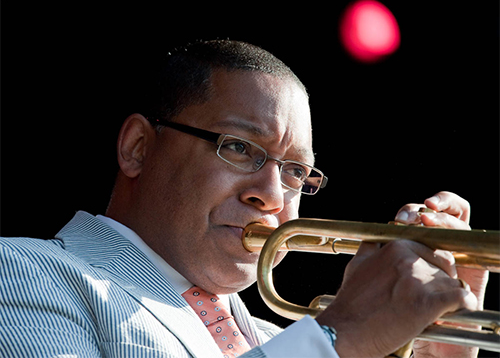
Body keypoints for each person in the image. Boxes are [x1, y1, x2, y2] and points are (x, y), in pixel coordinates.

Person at [0, 40, 488, 358]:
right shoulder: (23, 270)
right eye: (238, 147)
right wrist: (340, 332)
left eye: (295, 171)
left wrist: (437, 350)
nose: (273, 196)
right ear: (138, 148)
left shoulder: (279, 342)